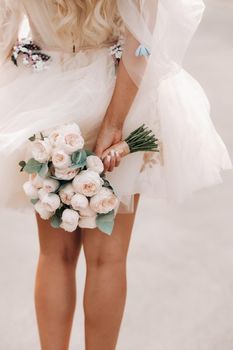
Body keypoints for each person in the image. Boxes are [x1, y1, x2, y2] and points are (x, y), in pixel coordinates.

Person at [0, 1, 232, 349]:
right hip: (117, 89)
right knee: (108, 258)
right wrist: (114, 123)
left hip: (45, 93)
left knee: (54, 255)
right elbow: (143, 40)